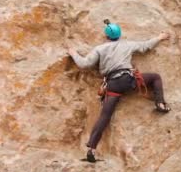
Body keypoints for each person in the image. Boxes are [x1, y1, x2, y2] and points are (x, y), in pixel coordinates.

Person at [68, 19, 171, 162]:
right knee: (155, 77)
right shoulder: (127, 44)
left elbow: (84, 64)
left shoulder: (100, 49)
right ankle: (160, 104)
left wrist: (73, 53)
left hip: (113, 85)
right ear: (120, 35)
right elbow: (145, 46)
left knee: (105, 116)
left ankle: (91, 149)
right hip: (129, 81)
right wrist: (159, 38)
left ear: (106, 36)